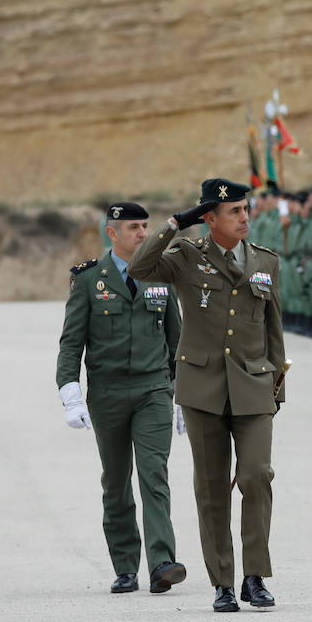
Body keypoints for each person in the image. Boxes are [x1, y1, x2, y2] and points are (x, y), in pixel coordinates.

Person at [128, 178, 286, 613]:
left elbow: (274, 328)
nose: (244, 218)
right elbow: (140, 267)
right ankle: (223, 582)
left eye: (246, 210)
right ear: (210, 218)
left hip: (254, 387)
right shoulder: (185, 258)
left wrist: (277, 389)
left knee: (256, 476)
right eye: (234, 211)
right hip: (204, 389)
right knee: (212, 488)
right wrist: (175, 225)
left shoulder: (265, 262)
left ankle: (255, 576)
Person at [56, 201, 187, 595]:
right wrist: (70, 391)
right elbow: (71, 342)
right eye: (134, 227)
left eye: (146, 226)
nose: (143, 234)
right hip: (108, 394)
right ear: (111, 233)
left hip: (153, 391)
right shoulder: (89, 279)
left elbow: (176, 341)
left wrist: (183, 393)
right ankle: (125, 566)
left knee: (155, 475)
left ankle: (162, 562)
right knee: (116, 481)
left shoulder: (161, 276)